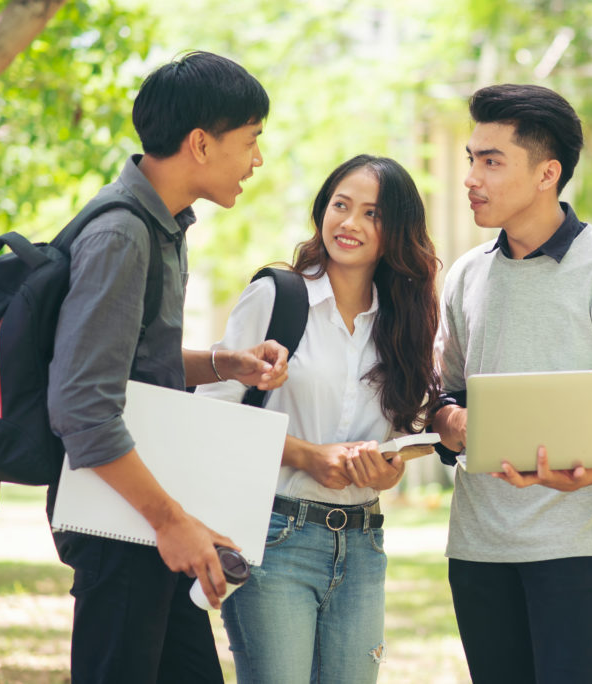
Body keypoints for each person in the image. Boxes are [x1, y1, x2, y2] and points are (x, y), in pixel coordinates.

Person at [47, 51, 289, 683]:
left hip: (144, 519)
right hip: (123, 522)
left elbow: (129, 362)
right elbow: (84, 407)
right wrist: (172, 521)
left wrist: (221, 362)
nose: (257, 160)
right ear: (202, 144)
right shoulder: (123, 235)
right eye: (251, 140)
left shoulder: (162, 227)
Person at [430, 83, 592, 684]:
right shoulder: (465, 275)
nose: (472, 178)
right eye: (471, 160)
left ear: (546, 173)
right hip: (478, 548)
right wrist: (449, 422)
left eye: (492, 161)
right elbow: (444, 392)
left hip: (579, 547)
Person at [196, 154, 441, 683]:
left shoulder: (405, 321)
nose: (350, 223)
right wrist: (306, 455)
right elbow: (211, 415)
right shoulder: (277, 297)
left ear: (397, 229)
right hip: (274, 536)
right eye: (341, 205)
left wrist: (390, 468)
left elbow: (399, 430)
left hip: (363, 543)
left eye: (372, 214)